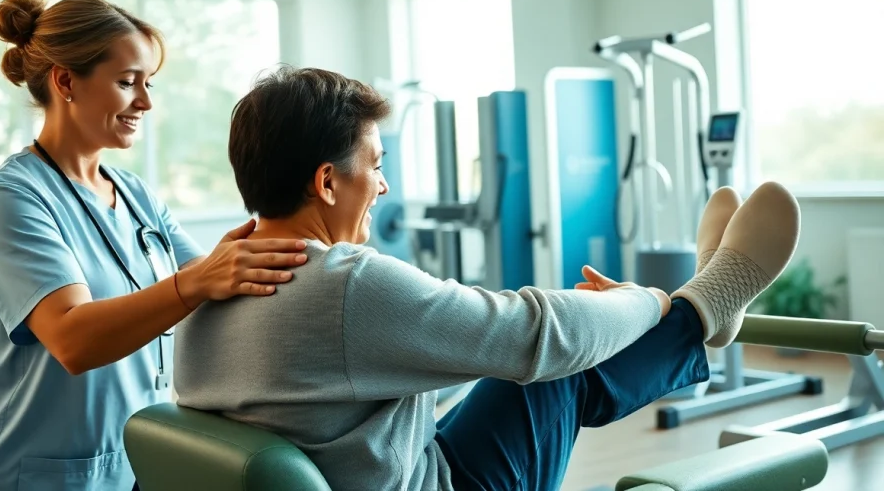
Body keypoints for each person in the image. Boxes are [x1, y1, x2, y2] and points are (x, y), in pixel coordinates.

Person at [173, 65, 802, 491]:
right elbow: (539, 335)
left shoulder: (206, 285)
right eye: (375, 165)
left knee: (518, 370)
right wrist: (647, 298)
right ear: (328, 181)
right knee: (555, 369)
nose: (383, 185)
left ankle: (706, 311)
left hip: (379, 467)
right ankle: (706, 302)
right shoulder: (343, 285)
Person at [0, 0, 309, 491]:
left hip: (125, 464)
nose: (146, 102)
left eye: (148, 83)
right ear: (66, 81)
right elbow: (72, 338)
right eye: (127, 82)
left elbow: (214, 287)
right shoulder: (12, 198)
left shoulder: (135, 195)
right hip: (25, 469)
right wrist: (198, 281)